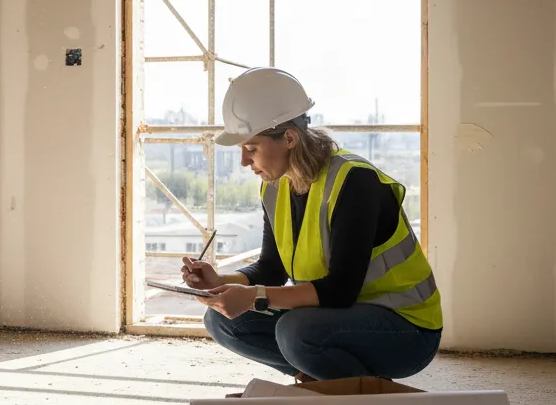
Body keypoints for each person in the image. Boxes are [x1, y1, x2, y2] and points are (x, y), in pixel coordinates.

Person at [182, 67, 442, 381]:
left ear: (289, 137)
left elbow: (340, 291)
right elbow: (271, 269)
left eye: (251, 149)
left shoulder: (355, 182)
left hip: (405, 330)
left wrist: (251, 297)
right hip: (338, 319)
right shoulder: (275, 188)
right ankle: (323, 379)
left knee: (297, 331)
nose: (244, 162)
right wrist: (219, 279)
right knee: (222, 321)